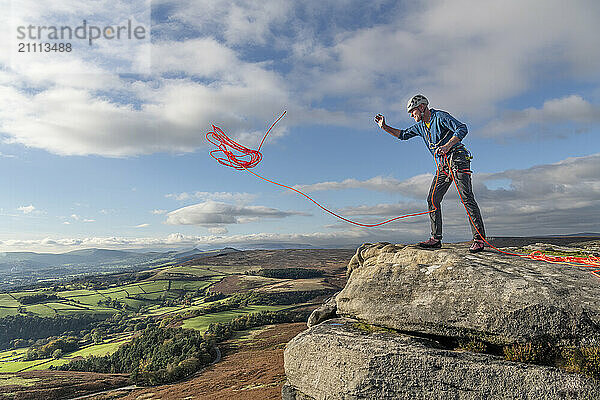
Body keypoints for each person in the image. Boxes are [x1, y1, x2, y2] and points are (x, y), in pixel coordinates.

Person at [374, 94, 486, 253]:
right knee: (432, 199)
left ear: (421, 107)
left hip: (458, 158)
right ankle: (436, 238)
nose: (411, 115)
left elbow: (462, 128)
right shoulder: (421, 127)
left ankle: (479, 239)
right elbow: (403, 135)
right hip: (443, 166)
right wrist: (384, 127)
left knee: (466, 197)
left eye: (412, 112)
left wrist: (447, 146)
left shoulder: (440, 116)